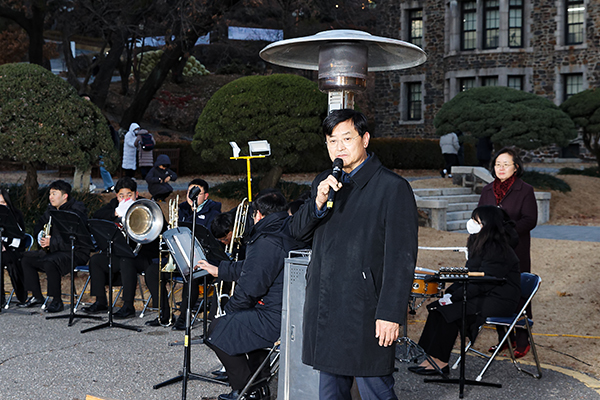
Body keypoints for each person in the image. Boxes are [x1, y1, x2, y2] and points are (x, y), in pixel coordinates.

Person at [289, 109, 418, 400]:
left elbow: (401, 258)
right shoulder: (326, 181)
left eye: (347, 138)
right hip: (326, 306)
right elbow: (297, 233)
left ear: (366, 139)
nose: (339, 147)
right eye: (332, 141)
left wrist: (390, 313)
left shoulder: (392, 188)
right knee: (331, 391)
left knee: (376, 390)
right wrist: (317, 202)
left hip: (365, 310)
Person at [197, 190, 305, 400]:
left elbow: (251, 287)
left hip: (276, 316)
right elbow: (254, 267)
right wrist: (220, 269)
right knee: (241, 327)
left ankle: (247, 390)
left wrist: (229, 312)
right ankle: (259, 387)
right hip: (286, 311)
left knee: (218, 330)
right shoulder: (284, 230)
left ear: (259, 215)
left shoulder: (267, 239)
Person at [409, 205, 521, 375]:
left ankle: (441, 361)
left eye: (477, 221)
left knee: (451, 312)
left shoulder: (498, 249)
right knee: (436, 307)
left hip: (499, 299)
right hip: (483, 293)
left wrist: (455, 298)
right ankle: (429, 356)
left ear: (488, 224)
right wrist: (450, 293)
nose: (472, 224)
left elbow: (485, 281)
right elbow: (468, 274)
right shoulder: (480, 243)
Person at [478, 147, 537, 357]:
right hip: (491, 252)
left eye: (506, 164)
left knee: (519, 292)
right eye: (497, 164)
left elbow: (530, 220)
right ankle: (504, 339)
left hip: (516, 250)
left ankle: (522, 339)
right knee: (496, 292)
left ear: (516, 167)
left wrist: (505, 233)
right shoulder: (487, 190)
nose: (501, 168)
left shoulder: (525, 190)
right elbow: (479, 217)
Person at [82, 177, 168, 320]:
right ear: (116, 196)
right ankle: (100, 301)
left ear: (136, 194)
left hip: (142, 255)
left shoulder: (146, 206)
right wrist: (115, 213)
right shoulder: (115, 205)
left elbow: (161, 227)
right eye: (121, 196)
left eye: (129, 195)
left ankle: (128, 305)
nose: (125, 198)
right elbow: (97, 216)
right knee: (96, 260)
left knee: (126, 260)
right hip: (121, 253)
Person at [20, 181, 90, 313]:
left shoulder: (76, 213)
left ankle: (56, 300)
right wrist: (41, 235)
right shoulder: (51, 209)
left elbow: (74, 239)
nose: (50, 197)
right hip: (56, 250)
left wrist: (52, 242)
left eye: (54, 194)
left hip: (76, 252)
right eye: (50, 194)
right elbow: (39, 225)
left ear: (64, 196)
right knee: (26, 258)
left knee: (50, 261)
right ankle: (36, 296)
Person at [1, 188, 27, 307]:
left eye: (2, 203)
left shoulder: (15, 215)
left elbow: (19, 239)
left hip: (14, 250)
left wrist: (4, 244)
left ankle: (1, 299)